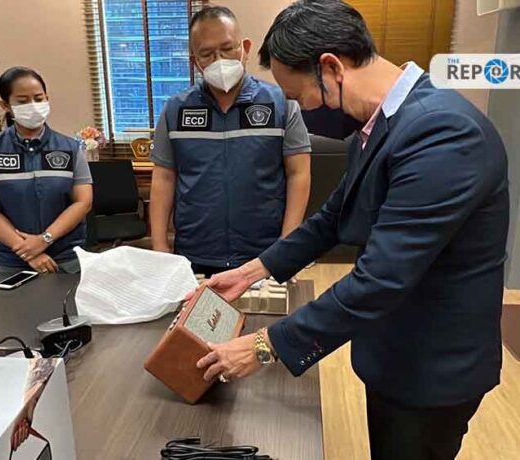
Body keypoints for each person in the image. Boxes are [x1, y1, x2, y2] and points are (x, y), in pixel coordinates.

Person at [193, 1, 509, 459]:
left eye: (301, 96)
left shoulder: (443, 133)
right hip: (392, 349)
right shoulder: (381, 124)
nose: (305, 110)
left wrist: (265, 345)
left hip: (431, 369)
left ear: (331, 67)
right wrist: (252, 271)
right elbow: (331, 218)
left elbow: (380, 278)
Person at [150, 6, 311, 278]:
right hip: (195, 255)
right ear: (195, 61)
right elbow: (163, 179)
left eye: (227, 49)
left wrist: (287, 245)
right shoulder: (176, 110)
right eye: (207, 54)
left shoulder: (281, 104)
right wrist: (160, 247)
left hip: (263, 255)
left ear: (245, 48)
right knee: (200, 308)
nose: (219, 60)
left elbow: (299, 174)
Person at [0, 67, 93, 274]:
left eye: (38, 98)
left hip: (66, 258)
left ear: (47, 98)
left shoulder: (70, 148)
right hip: (11, 260)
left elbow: (83, 202)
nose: (34, 106)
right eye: (23, 101)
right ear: (6, 105)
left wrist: (44, 240)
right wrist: (28, 251)